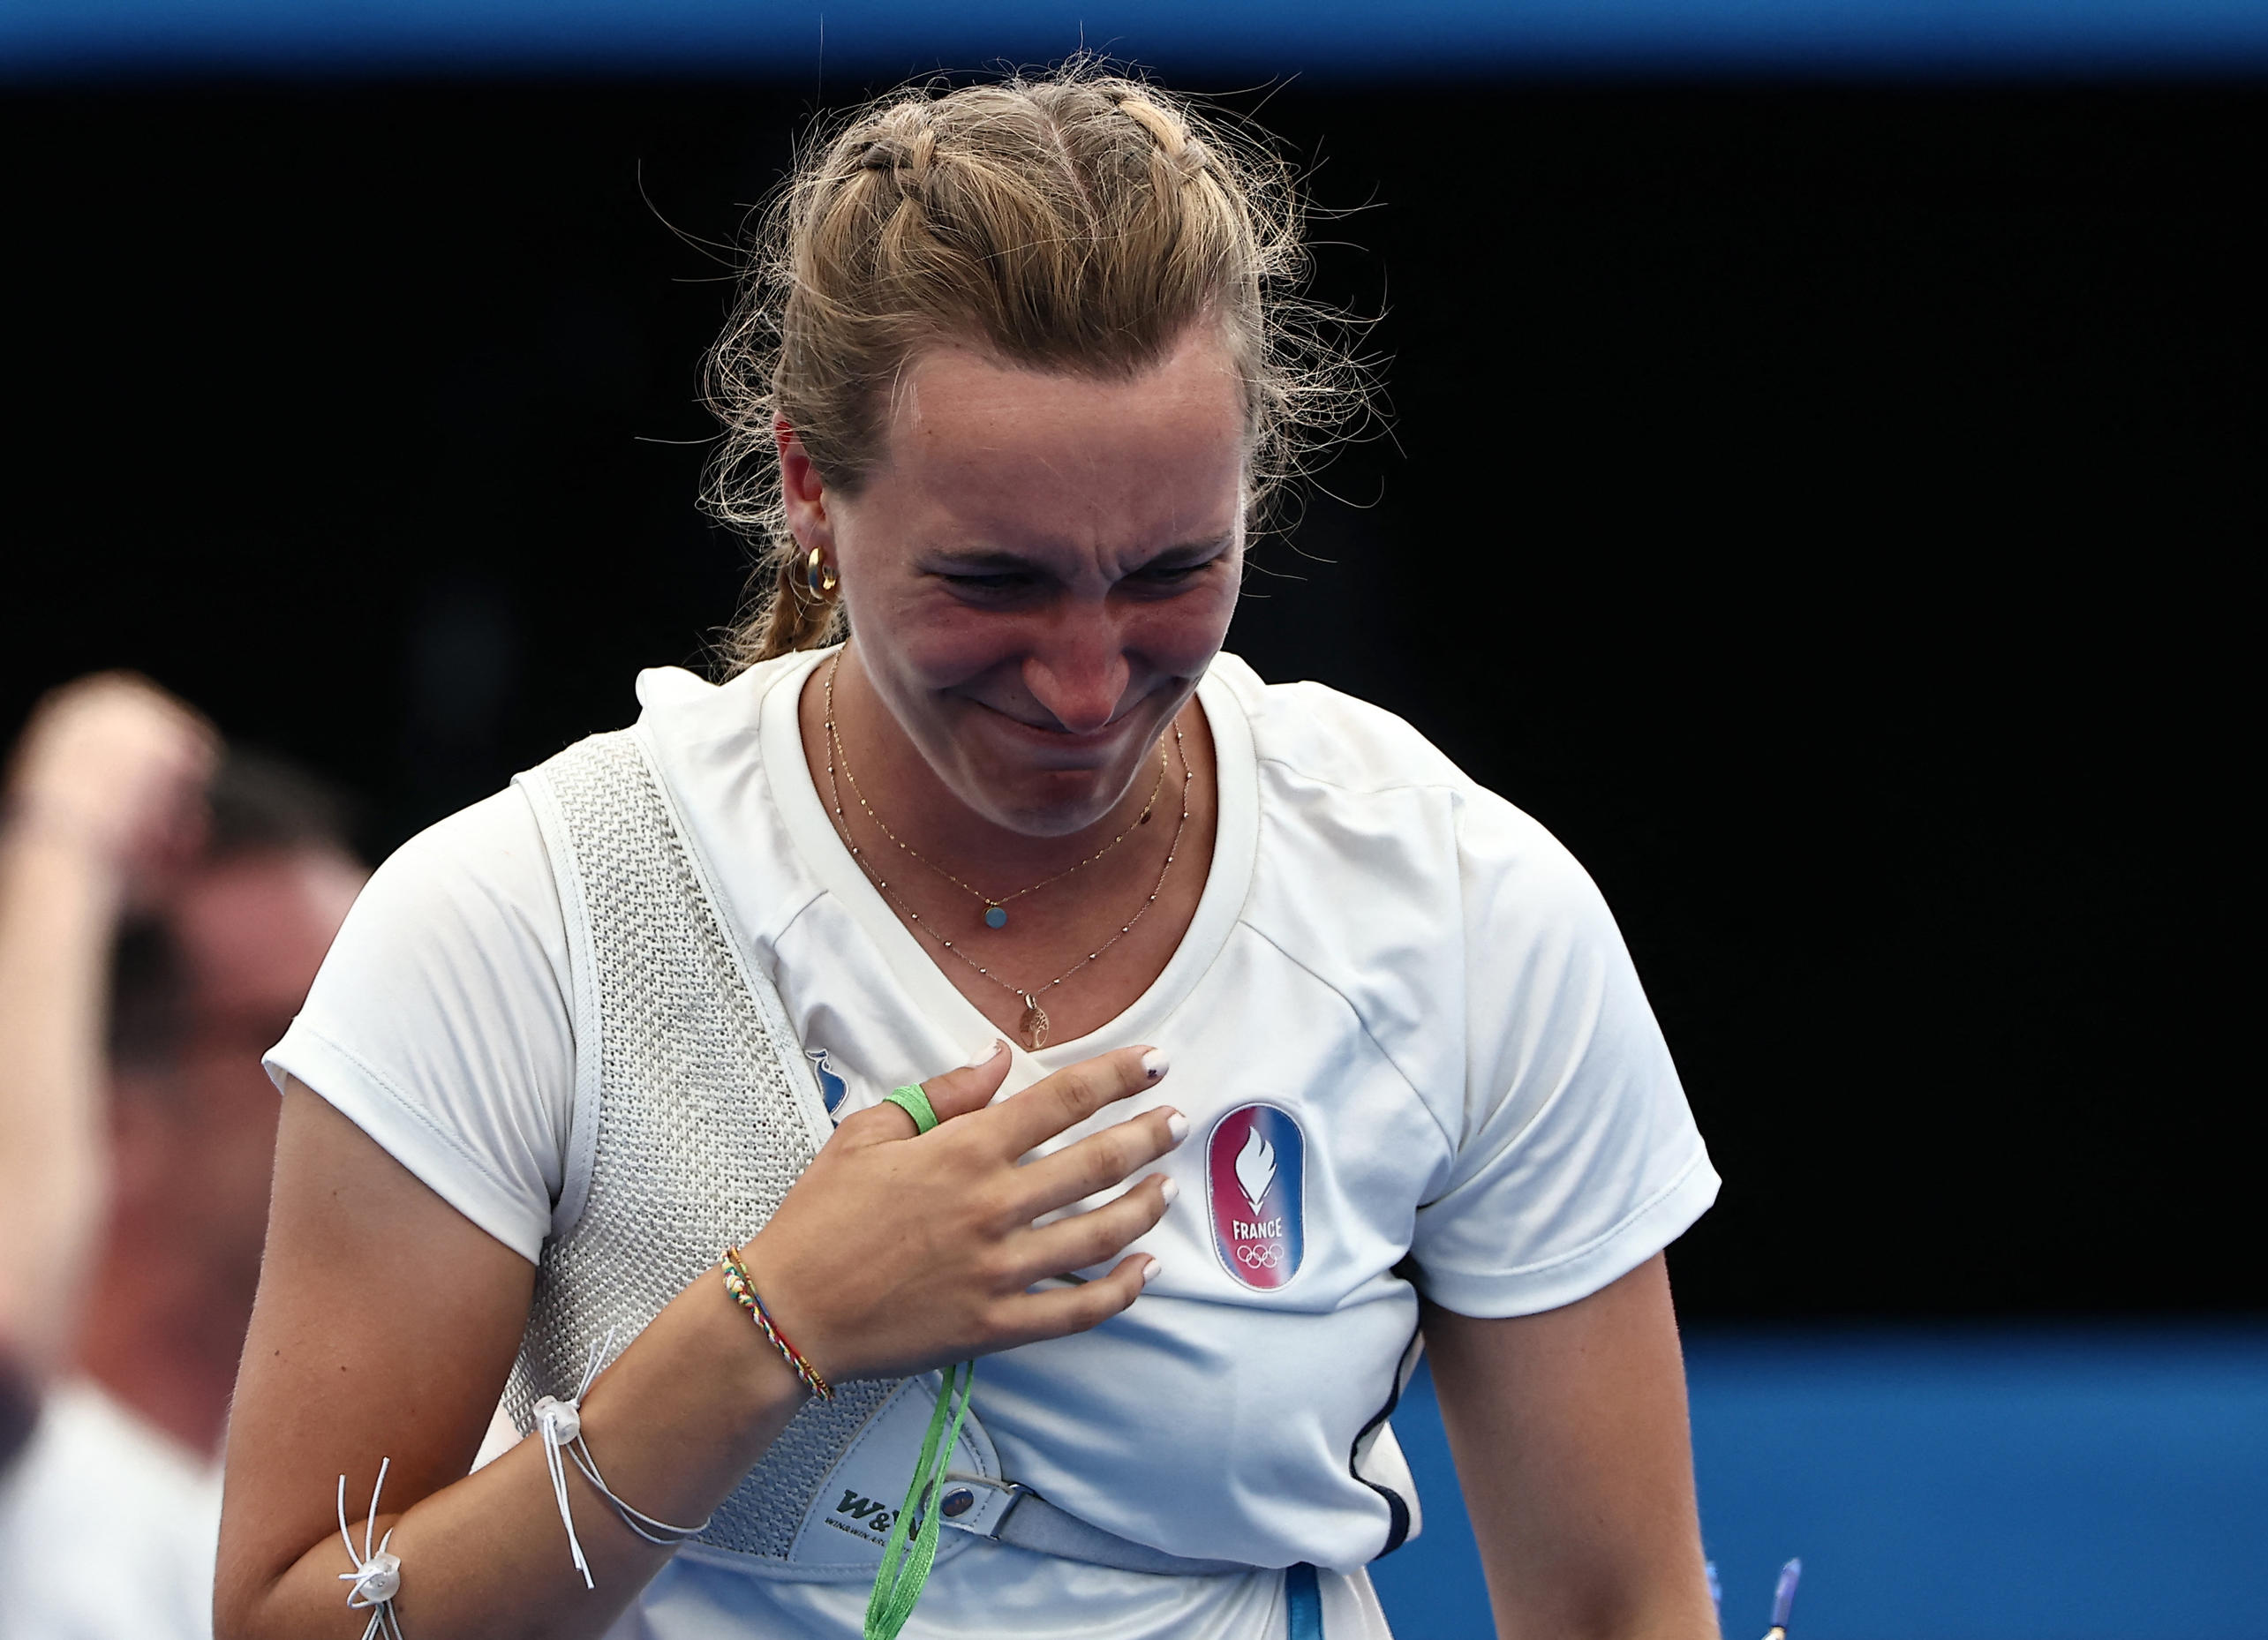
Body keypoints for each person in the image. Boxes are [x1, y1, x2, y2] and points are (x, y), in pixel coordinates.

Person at [216, 62, 1723, 1640]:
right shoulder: (523, 912)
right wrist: (772, 1323)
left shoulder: (1462, 903)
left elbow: (1622, 1604)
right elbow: (286, 1621)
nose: (1085, 680)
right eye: (994, 582)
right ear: (808, 480)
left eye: (1169, 571)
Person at [0, 674, 364, 1639]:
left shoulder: (378, 1546)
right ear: (112, 1114)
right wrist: (64, 832)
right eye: (314, 1035)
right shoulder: (31, 1476)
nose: (396, 1079)